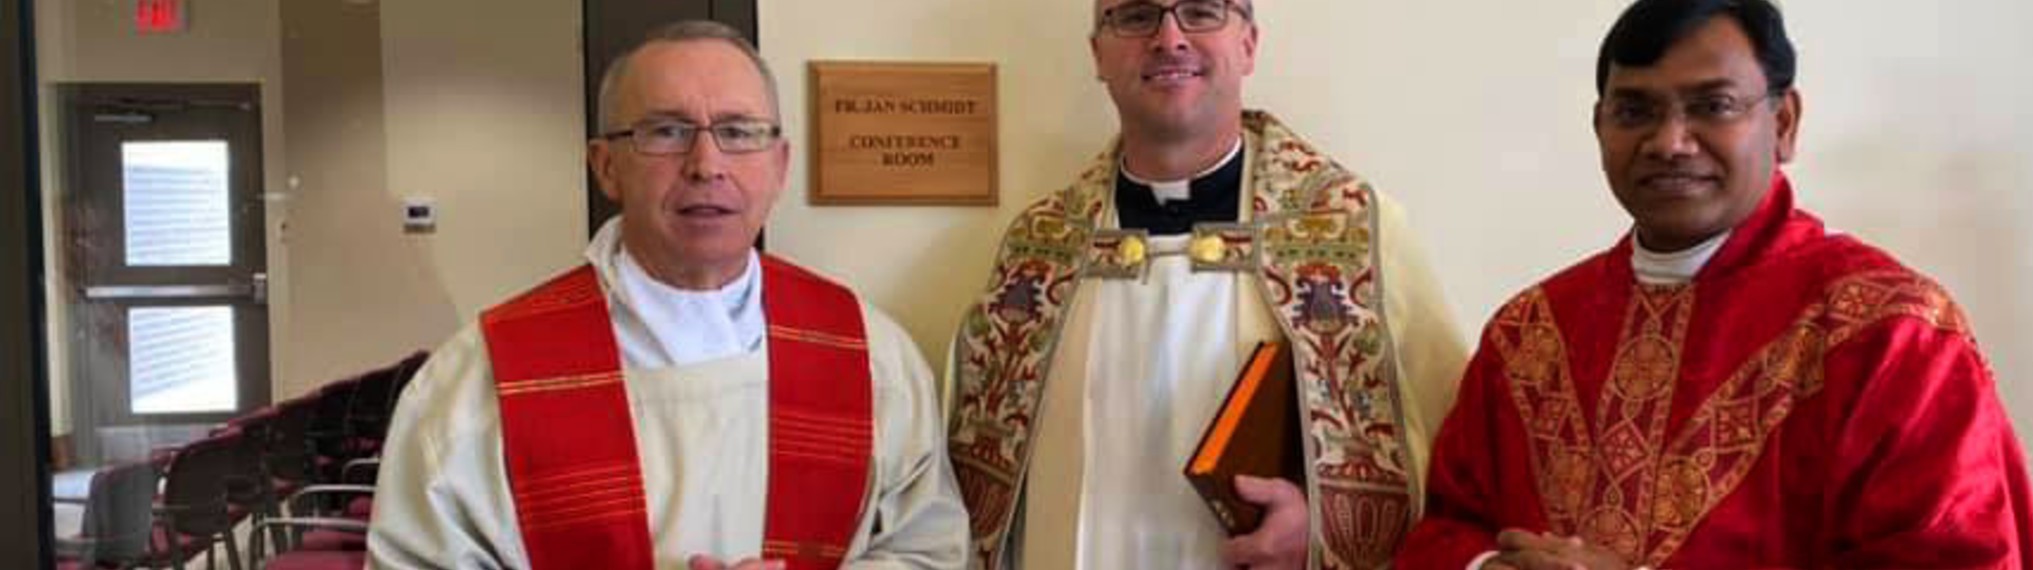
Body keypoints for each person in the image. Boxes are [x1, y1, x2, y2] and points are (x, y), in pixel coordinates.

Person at [1395, 1, 2033, 568]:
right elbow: (1444, 528)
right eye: (1635, 111)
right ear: (1600, 127)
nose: (1670, 142)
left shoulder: (1890, 333)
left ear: (1783, 123)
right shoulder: (1530, 332)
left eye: (1712, 107)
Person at [367, 21, 967, 570]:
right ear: (606, 167)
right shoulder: (483, 376)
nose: (706, 164)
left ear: (779, 166)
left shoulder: (870, 355)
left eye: (737, 132)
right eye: (667, 132)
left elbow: (928, 550)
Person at [942, 1, 1467, 568]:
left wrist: (1328, 536)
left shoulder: (1357, 230)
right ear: (1097, 53)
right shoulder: (1038, 249)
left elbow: (1459, 471)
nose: (1169, 38)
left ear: (1248, 43)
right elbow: (958, 483)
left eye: (1199, 11)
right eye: (1136, 16)